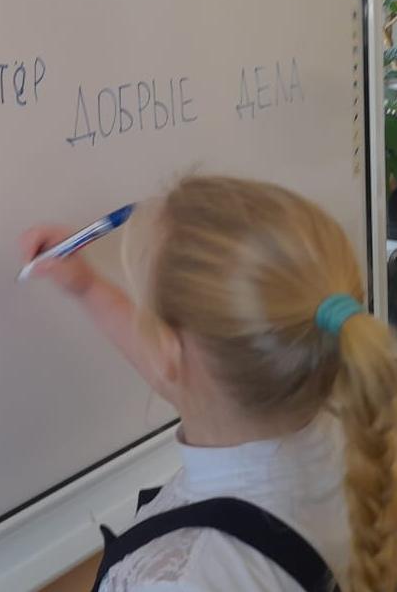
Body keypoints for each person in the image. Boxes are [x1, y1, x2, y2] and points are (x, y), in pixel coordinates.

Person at [21, 176, 397, 592]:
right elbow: (179, 366)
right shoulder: (353, 433)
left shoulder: (180, 581)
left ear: (170, 351)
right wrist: (87, 287)